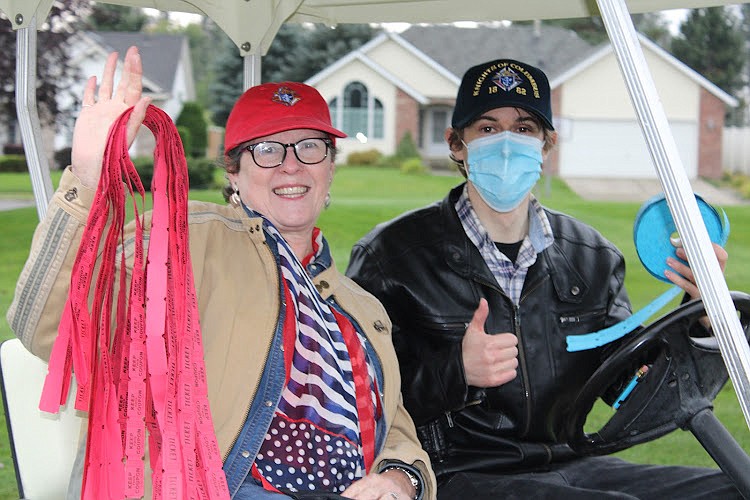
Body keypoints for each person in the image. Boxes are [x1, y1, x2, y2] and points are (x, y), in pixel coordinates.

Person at [7, 46, 436, 500]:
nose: (291, 165)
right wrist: (90, 176)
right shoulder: (185, 238)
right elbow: (52, 328)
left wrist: (399, 480)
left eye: (310, 146)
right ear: (233, 171)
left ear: (330, 166)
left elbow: (396, 432)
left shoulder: (360, 307)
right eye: (267, 149)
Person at [345, 58, 738, 499]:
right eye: (488, 129)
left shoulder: (591, 257)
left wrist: (702, 316)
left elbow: (635, 390)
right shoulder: (392, 258)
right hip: (458, 472)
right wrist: (457, 371)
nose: (508, 145)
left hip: (572, 462)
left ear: (547, 145)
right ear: (457, 144)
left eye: (526, 128)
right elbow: (360, 400)